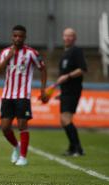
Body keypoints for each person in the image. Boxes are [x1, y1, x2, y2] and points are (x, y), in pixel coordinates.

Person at [0, 25, 47, 166]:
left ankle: (23, 157)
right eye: (15, 36)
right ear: (12, 37)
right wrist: (8, 58)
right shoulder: (5, 52)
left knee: (22, 125)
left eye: (20, 36)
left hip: (23, 95)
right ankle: (16, 146)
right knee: (5, 128)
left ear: (25, 37)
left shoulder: (31, 53)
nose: (18, 38)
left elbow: (43, 68)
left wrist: (43, 89)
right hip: (7, 95)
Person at [55, 28, 87, 156]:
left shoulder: (76, 51)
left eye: (70, 36)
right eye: (66, 35)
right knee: (64, 120)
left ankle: (78, 149)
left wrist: (67, 76)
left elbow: (82, 69)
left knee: (65, 118)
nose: (67, 38)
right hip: (66, 91)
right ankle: (72, 147)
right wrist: (61, 92)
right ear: (63, 37)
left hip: (73, 90)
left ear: (74, 38)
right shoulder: (65, 53)